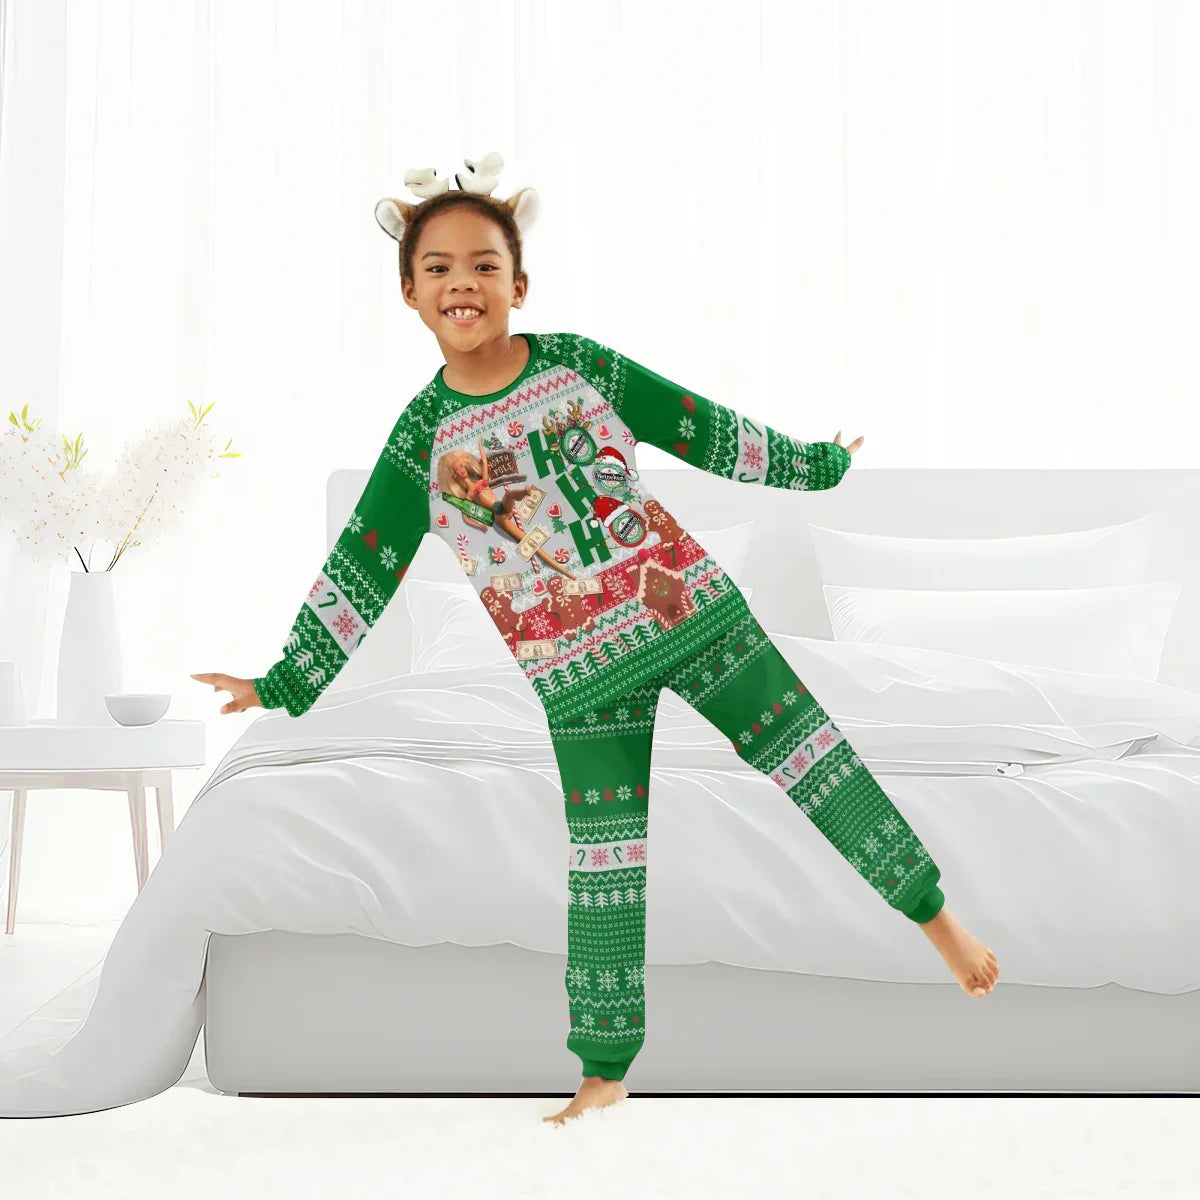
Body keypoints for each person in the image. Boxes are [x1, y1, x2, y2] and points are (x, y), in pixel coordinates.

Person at [192, 152, 998, 1127]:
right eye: (438, 267)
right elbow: (364, 566)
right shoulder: (421, 444)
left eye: (485, 265)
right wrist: (285, 680)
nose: (462, 283)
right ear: (408, 292)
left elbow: (701, 427)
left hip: (689, 614)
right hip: (576, 680)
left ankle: (937, 920)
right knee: (604, 864)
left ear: (519, 284)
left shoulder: (582, 368)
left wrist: (815, 465)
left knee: (813, 757)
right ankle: (605, 1066)